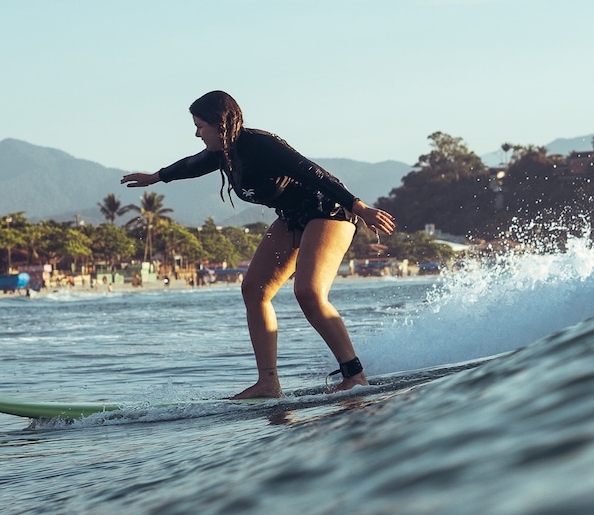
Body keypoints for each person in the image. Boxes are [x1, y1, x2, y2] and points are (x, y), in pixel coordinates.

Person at [122, 90, 397, 398]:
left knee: (308, 292)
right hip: (293, 216)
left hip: (328, 210)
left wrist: (360, 207)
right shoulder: (224, 153)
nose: (197, 133)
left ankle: (355, 375)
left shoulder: (261, 144)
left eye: (200, 126)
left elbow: (315, 173)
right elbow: (191, 165)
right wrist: (156, 177)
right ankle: (268, 383)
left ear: (220, 124)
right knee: (254, 289)